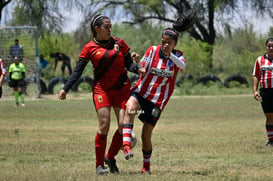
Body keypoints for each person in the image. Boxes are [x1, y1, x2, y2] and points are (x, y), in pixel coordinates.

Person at [58, 14, 145, 175]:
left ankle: (110, 157)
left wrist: (137, 69)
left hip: (121, 88)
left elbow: (128, 65)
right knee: (104, 125)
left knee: (122, 126)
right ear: (97, 29)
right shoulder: (89, 48)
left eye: (111, 26)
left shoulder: (119, 43)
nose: (110, 29)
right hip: (102, 90)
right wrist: (65, 88)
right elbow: (78, 71)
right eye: (106, 27)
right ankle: (99, 166)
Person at [122, 10, 196, 174]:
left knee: (145, 135)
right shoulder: (153, 50)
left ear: (175, 44)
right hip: (142, 92)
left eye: (169, 42)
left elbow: (182, 66)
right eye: (163, 41)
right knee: (130, 107)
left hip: (157, 101)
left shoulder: (178, 56)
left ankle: (146, 167)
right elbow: (143, 67)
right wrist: (137, 62)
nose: (165, 44)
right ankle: (126, 146)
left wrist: (170, 55)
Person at [253, 37, 273, 146]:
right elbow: (256, 75)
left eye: (272, 46)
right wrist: (255, 90)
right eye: (269, 46)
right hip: (265, 91)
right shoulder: (259, 60)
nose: (271, 48)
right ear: (266, 47)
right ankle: (271, 140)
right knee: (269, 116)